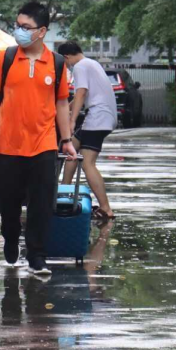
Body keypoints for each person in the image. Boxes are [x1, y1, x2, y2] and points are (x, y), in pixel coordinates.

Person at [0, 1, 77, 277]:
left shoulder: (56, 63)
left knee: (41, 204)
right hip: (9, 146)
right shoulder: (8, 58)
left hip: (44, 145)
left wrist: (66, 139)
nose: (19, 31)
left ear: (42, 31)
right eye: (17, 25)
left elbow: (61, 103)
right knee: (7, 202)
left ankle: (37, 256)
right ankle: (11, 239)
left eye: (26, 27)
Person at [58, 40, 117, 221]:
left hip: (97, 118)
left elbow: (81, 93)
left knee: (87, 163)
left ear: (66, 57)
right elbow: (80, 98)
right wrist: (64, 109)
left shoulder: (79, 66)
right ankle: (64, 191)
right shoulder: (91, 63)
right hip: (102, 116)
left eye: (64, 63)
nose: (66, 67)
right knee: (70, 148)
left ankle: (106, 209)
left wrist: (72, 120)